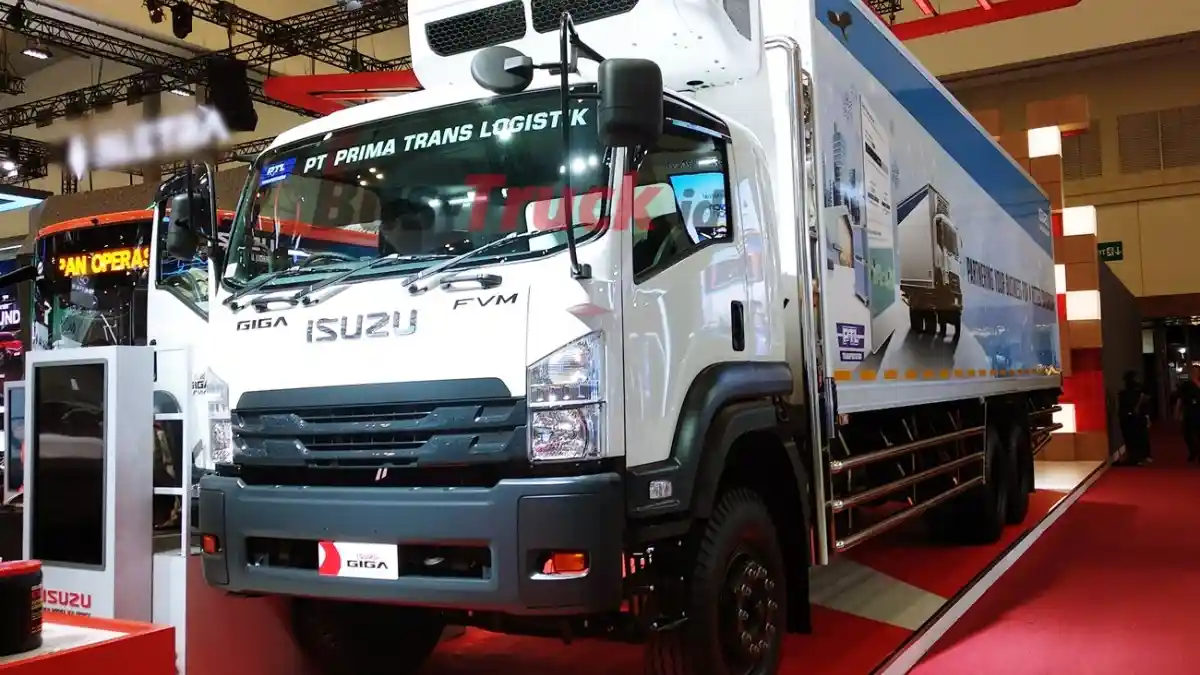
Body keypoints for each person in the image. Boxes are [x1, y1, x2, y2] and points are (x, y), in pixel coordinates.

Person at [1118, 370, 1151, 465]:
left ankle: (1137, 457)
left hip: (1132, 418)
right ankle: (1140, 457)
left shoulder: (1128, 393)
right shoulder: (1137, 391)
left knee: (1134, 437)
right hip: (1135, 417)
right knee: (1139, 437)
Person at [1175, 363, 1200, 463]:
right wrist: (1178, 411)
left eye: (1197, 371)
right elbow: (1180, 398)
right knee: (1187, 433)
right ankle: (1193, 450)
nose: (1195, 373)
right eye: (1193, 371)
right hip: (1190, 411)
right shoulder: (1187, 385)